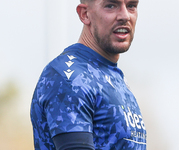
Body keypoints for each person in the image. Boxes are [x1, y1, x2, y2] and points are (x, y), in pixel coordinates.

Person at [30, 0, 147, 149]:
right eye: (111, 6)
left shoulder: (115, 77)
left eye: (131, 6)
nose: (125, 16)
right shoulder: (70, 77)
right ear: (85, 14)